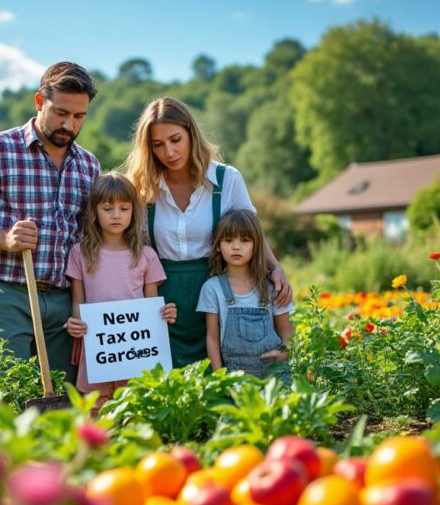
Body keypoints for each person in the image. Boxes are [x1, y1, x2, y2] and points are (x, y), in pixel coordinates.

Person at [0, 62, 99, 384]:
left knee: (62, 399)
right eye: (61, 113)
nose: (69, 124)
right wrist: (5, 240)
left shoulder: (88, 165)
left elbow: (89, 238)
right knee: (9, 392)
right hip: (7, 292)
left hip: (64, 300)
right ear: (40, 102)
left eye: (79, 116)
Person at [123, 97, 291, 368]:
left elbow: (253, 231)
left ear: (191, 133)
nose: (169, 152)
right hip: (161, 298)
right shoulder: (143, 188)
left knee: (219, 376)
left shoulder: (227, 179)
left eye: (176, 139)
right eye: (158, 145)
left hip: (218, 290)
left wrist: (275, 267)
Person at [63, 173, 177, 399]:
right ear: (95, 211)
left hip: (136, 356)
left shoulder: (146, 255)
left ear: (134, 211)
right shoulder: (80, 253)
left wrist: (164, 314)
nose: (116, 215)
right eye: (108, 208)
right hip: (97, 351)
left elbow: (152, 305)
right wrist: (76, 325)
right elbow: (78, 300)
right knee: (95, 413)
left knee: (133, 412)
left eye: (124, 208)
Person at [197, 209, 294, 378]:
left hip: (276, 376)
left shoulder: (271, 287)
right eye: (228, 240)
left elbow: (287, 331)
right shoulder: (212, 288)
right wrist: (219, 378)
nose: (236, 246)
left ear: (257, 246)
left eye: (245, 240)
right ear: (218, 246)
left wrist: (284, 354)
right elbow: (212, 338)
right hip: (235, 379)